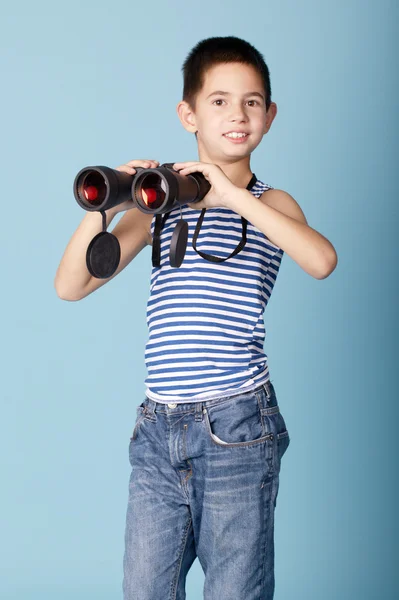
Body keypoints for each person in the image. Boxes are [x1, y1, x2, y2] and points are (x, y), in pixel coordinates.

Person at [55, 35, 337, 600]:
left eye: (252, 102)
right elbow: (72, 285)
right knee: (145, 589)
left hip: (236, 425)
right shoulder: (161, 207)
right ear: (189, 115)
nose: (237, 114)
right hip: (158, 429)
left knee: (236, 589)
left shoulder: (270, 204)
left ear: (270, 116)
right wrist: (105, 206)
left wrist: (232, 197)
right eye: (219, 101)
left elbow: (321, 260)